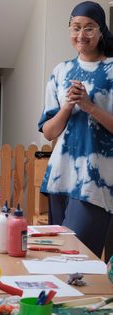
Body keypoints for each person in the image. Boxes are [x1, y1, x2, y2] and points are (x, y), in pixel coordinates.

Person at [38, 1, 113, 260]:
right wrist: (68, 106)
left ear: (102, 30)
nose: (81, 35)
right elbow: (48, 132)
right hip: (60, 176)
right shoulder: (61, 71)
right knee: (58, 257)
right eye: (76, 27)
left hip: (97, 180)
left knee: (79, 261)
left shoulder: (112, 70)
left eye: (90, 28)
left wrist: (89, 105)